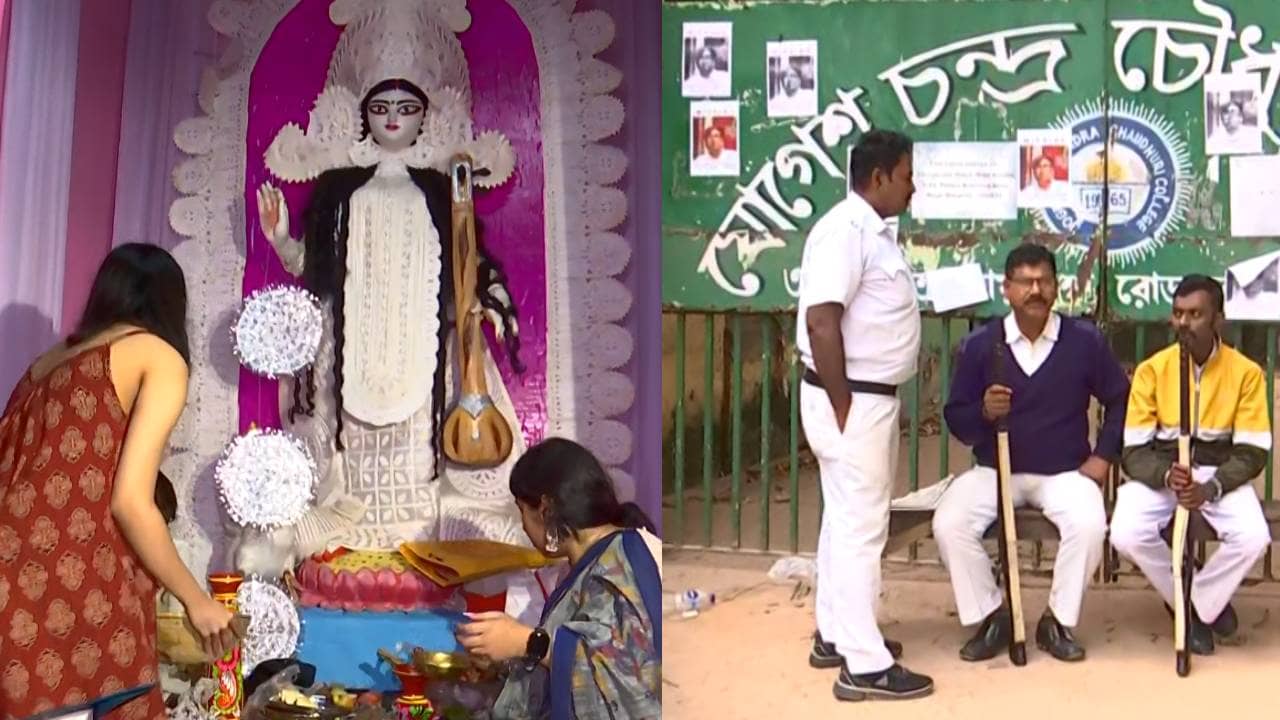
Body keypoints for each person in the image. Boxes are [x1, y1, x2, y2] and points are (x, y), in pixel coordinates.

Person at [0, 244, 242, 720]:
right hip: (51, 588)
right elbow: (129, 502)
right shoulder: (156, 355)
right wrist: (199, 603)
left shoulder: (49, 361)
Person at [933, 244, 1129, 662]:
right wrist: (984, 412)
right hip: (995, 468)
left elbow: (1120, 398)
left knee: (1090, 524)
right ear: (1007, 289)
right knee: (950, 522)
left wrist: (1104, 455)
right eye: (1025, 281)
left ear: (1057, 288)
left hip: (1063, 471)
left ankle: (1056, 621)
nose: (1035, 290)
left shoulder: (1083, 341)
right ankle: (992, 615)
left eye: (1044, 281)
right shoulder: (983, 345)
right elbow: (956, 418)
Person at [795, 129, 930, 701]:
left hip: (858, 397)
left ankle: (837, 633)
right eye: (904, 175)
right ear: (877, 178)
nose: (912, 187)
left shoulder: (869, 231)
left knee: (843, 520)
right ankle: (864, 665)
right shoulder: (847, 231)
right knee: (861, 527)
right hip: (852, 398)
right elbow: (822, 320)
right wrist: (844, 403)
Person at [1110, 274, 1273, 656]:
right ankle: (1197, 604)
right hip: (1165, 473)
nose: (1183, 323)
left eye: (1195, 314)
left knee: (1254, 538)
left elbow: (1252, 451)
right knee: (1124, 533)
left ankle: (1193, 606)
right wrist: (1166, 475)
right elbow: (1133, 449)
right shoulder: (1153, 370)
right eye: (1178, 313)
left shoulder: (1246, 373)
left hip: (1218, 477)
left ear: (1218, 319)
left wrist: (1211, 487)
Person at [455, 438, 660, 719]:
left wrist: (527, 642)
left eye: (521, 511)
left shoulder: (621, 565)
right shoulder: (588, 562)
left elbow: (624, 677)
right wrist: (506, 655)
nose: (523, 526)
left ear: (545, 509)